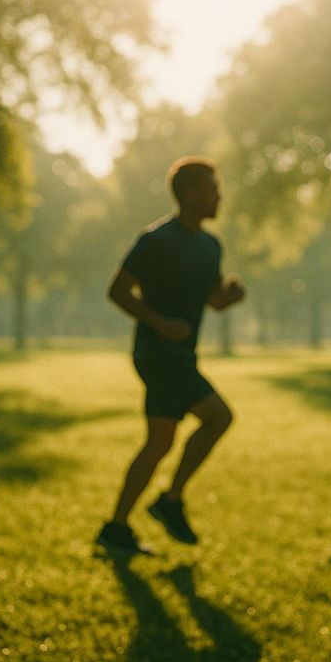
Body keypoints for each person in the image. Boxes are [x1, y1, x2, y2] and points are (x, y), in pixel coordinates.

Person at [97, 156, 245, 555]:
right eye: (213, 189)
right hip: (157, 353)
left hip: (182, 355)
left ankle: (116, 527)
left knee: (159, 443)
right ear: (190, 193)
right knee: (219, 416)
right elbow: (117, 291)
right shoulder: (155, 241)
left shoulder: (211, 245)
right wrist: (159, 322)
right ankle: (170, 500)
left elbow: (212, 300)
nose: (219, 196)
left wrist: (229, 297)